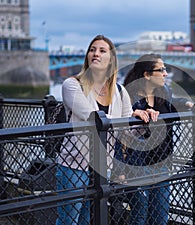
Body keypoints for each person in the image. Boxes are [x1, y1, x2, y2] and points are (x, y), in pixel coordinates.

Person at [55, 34, 147, 225]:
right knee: (68, 221)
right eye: (92, 49)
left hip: (101, 167)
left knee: (87, 219)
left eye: (102, 50)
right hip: (74, 165)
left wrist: (144, 121)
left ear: (111, 60)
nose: (95, 53)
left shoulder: (120, 92)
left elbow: (126, 132)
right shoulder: (72, 85)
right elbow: (94, 119)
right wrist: (128, 120)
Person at [120, 53, 194, 225]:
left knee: (160, 217)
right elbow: (121, 131)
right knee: (140, 216)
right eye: (161, 70)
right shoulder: (128, 98)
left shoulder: (164, 92)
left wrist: (189, 104)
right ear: (147, 75)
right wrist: (136, 115)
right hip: (137, 166)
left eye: (165, 69)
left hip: (162, 165)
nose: (166, 74)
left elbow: (174, 101)